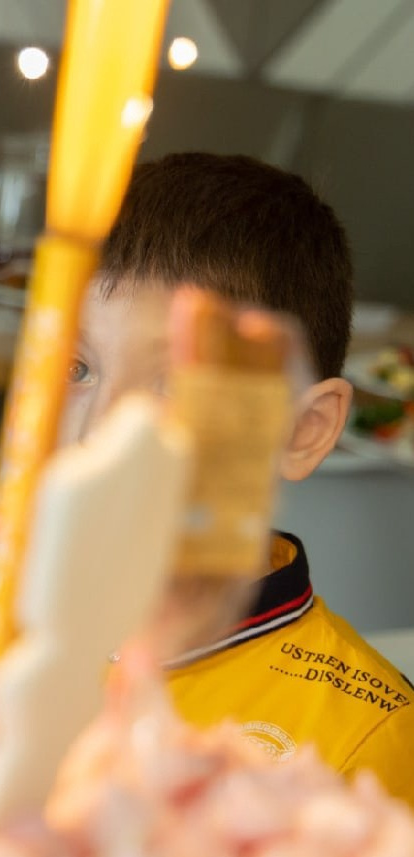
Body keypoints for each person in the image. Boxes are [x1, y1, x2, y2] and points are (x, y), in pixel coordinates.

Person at [66, 152, 414, 805]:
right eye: (77, 369)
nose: (96, 434)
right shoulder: (15, 624)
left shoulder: (364, 744)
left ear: (303, 430)